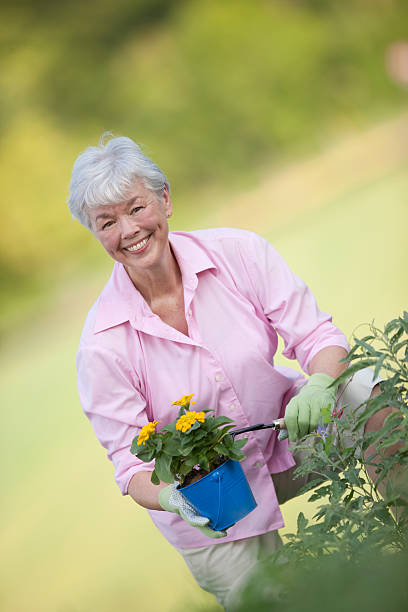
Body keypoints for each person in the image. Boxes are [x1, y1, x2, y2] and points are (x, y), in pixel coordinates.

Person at [68, 134, 381, 610]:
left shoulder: (239, 253)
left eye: (136, 208)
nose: (128, 230)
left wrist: (318, 383)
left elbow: (319, 337)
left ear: (165, 200)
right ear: (97, 234)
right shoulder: (101, 346)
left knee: (365, 388)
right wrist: (174, 498)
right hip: (211, 500)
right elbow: (131, 466)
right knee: (269, 603)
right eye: (107, 222)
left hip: (289, 438)